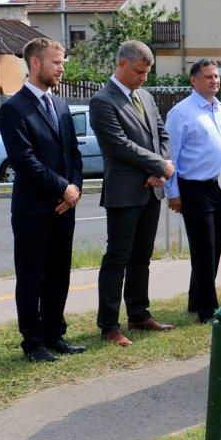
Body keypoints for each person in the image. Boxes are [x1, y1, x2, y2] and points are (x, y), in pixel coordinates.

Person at [0, 38, 85, 361]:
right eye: (56, 62)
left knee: (59, 273)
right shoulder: (13, 108)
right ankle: (33, 343)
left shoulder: (61, 106)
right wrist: (63, 187)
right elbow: (24, 161)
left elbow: (73, 155)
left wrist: (73, 190)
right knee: (32, 276)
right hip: (32, 210)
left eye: (62, 62)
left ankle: (54, 334)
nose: (62, 68)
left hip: (65, 208)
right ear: (35, 64)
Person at [90, 40, 175, 346]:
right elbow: (117, 144)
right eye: (139, 71)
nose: (143, 78)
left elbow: (161, 134)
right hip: (125, 192)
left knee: (142, 256)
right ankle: (109, 324)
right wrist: (159, 165)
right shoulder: (102, 101)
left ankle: (139, 313)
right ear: (122, 64)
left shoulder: (147, 98)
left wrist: (160, 167)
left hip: (151, 190)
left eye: (147, 73)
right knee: (118, 257)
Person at [165, 59, 221, 323]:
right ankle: (208, 309)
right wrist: (173, 193)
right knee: (203, 248)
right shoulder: (181, 112)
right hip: (194, 187)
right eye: (207, 76)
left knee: (214, 247)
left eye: (216, 76)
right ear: (193, 81)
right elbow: (172, 155)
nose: (214, 80)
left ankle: (197, 300)